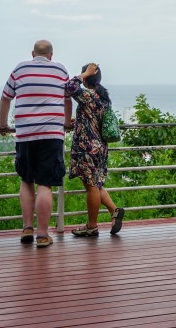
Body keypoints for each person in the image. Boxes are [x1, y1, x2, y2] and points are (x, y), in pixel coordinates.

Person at [0, 40, 71, 248]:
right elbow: (67, 100)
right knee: (45, 184)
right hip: (52, 134)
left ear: (32, 54)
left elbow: (5, 98)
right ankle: (42, 235)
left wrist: (3, 124)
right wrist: (66, 123)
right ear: (51, 55)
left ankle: (27, 228)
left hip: (26, 135)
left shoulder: (20, 68)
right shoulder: (60, 69)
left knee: (26, 180)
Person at [65, 62, 125, 237]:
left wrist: (83, 74)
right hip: (100, 147)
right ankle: (115, 211)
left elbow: (68, 88)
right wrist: (79, 121)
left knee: (91, 187)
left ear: (87, 78)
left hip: (88, 148)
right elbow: (93, 117)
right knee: (95, 185)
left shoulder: (88, 94)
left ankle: (92, 226)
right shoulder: (102, 96)